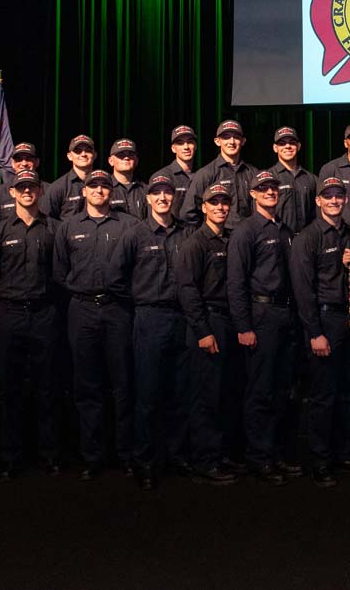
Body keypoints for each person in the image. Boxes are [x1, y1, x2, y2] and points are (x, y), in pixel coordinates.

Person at [53, 168, 138, 480]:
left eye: (105, 186)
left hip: (118, 311)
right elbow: (59, 272)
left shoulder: (129, 224)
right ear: (84, 191)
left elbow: (139, 267)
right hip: (82, 309)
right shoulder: (68, 226)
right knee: (87, 386)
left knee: (123, 384)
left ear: (112, 191)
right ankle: (92, 456)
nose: (99, 190)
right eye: (94, 186)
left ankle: (126, 454)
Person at [111, 174, 191, 490]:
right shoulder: (135, 234)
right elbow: (115, 278)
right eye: (156, 193)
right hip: (149, 317)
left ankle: (177, 455)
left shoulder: (187, 233)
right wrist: (140, 302)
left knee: (180, 392)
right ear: (147, 199)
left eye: (167, 192)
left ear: (174, 197)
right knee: (147, 395)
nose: (162, 198)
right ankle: (144, 460)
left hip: (182, 319)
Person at [0, 169, 63, 479]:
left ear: (40, 191)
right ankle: (10, 456)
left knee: (48, 387)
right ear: (13, 192)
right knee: (9, 389)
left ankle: (49, 454)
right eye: (21, 187)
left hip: (44, 314)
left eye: (32, 187)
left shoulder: (54, 229)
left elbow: (60, 274)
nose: (27, 191)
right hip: (9, 315)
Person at [289, 177, 350, 487]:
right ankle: (320, 461)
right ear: (318, 200)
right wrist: (314, 333)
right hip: (324, 321)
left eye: (339, 195)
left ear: (346, 200)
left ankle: (345, 455)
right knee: (323, 396)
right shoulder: (308, 237)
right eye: (328, 196)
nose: (334, 200)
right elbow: (302, 290)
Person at [226, 170, 299, 485]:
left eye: (273, 188)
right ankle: (258, 458)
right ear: (253, 194)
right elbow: (236, 283)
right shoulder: (246, 231)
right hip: (261, 314)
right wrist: (243, 326)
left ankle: (275, 454)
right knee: (260, 390)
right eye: (263, 188)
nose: (270, 192)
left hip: (286, 314)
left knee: (282, 390)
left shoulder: (285, 230)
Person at [175, 184, 241, 486]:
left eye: (224, 203)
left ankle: (220, 453)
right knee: (205, 396)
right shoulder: (195, 243)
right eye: (214, 203)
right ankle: (204, 460)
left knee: (225, 393)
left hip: (228, 322)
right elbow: (187, 290)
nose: (220, 207)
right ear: (203, 208)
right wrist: (202, 331)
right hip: (207, 323)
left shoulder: (230, 239)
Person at [184, 120, 257, 228]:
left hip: (248, 234)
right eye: (226, 137)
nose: (231, 141)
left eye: (236, 137)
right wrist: (208, 233)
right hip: (220, 235)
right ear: (217, 141)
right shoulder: (206, 173)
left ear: (243, 141)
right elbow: (188, 212)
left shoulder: (253, 173)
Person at [268, 126, 317, 234]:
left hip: (306, 238)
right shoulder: (268, 178)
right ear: (275, 148)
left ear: (298, 146)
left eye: (292, 142)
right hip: (278, 238)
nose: (287, 146)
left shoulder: (312, 179)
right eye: (282, 143)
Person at [0, 142, 40, 233]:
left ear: (37, 162)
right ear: (12, 163)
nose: (24, 163)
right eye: (19, 159)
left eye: (28, 159)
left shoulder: (49, 190)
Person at [41, 134, 96, 219]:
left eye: (88, 150)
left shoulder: (106, 184)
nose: (83, 154)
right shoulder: (58, 187)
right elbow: (46, 219)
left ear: (95, 155)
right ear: (69, 156)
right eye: (78, 151)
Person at [157, 124, 199, 217]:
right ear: (173, 148)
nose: (186, 147)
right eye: (180, 143)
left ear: (195, 146)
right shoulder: (164, 176)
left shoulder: (202, 174)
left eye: (190, 142)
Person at [108, 138, 148, 219]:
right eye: (121, 155)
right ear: (111, 161)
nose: (126, 158)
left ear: (136, 160)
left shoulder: (146, 190)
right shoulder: (105, 189)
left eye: (131, 154)